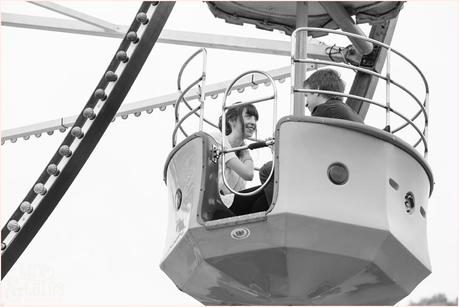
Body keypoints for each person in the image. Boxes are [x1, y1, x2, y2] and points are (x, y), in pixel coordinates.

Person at [259, 68, 364, 206]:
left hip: (330, 173)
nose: (306, 103)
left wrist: (277, 148)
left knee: (268, 170)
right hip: (350, 172)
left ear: (317, 90)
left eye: (307, 95)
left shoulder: (325, 110)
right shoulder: (348, 112)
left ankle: (282, 209)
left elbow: (302, 147)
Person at [211, 103, 268, 216]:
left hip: (230, 205)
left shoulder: (239, 154)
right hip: (217, 202)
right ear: (232, 120)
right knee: (271, 187)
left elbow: (239, 191)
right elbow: (248, 174)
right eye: (248, 116)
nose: (253, 122)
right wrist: (247, 153)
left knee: (264, 201)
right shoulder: (219, 139)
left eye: (255, 119)